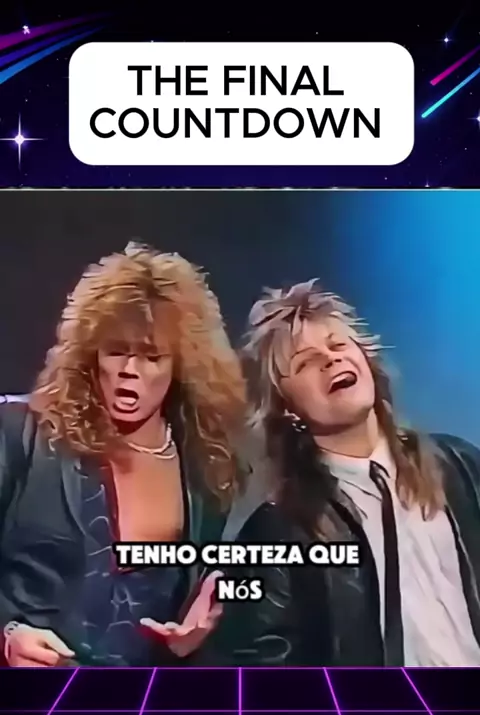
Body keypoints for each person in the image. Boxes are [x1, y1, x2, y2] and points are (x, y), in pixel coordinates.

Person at [0, 241, 247, 667]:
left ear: (181, 365)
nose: (130, 371)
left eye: (151, 356)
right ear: (90, 353)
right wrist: (6, 634)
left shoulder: (205, 468)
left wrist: (205, 622)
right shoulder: (22, 432)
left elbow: (235, 585)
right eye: (116, 351)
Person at [214, 279, 480, 667]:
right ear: (286, 407)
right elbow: (264, 660)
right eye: (305, 362)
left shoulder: (459, 466)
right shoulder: (278, 530)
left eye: (338, 345)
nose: (330, 359)